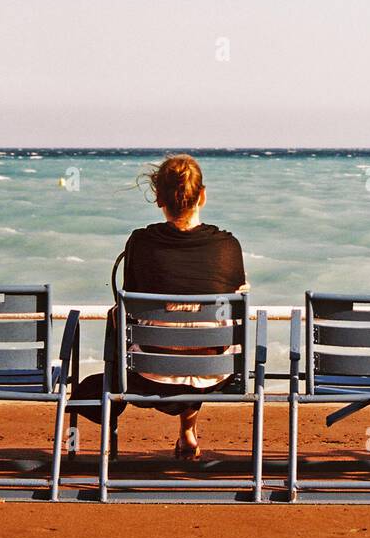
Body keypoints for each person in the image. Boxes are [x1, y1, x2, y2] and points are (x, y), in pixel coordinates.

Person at [75, 154, 246, 461]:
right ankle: (188, 432)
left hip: (149, 374)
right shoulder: (228, 247)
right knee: (197, 332)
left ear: (158, 198)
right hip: (215, 375)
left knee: (145, 326)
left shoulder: (140, 243)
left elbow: (129, 309)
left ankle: (110, 419)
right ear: (202, 196)